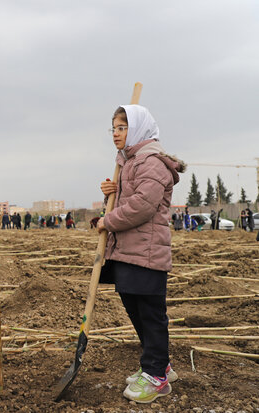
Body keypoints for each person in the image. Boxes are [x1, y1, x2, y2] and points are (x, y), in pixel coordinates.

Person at [98, 104, 185, 403]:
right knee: (137, 311)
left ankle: (157, 377)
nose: (116, 134)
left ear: (136, 129)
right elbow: (130, 198)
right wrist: (113, 192)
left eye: (122, 127)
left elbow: (142, 206)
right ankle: (159, 365)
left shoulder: (151, 162)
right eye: (113, 128)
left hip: (147, 253)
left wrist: (107, 220)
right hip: (128, 251)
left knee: (150, 315)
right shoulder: (129, 163)